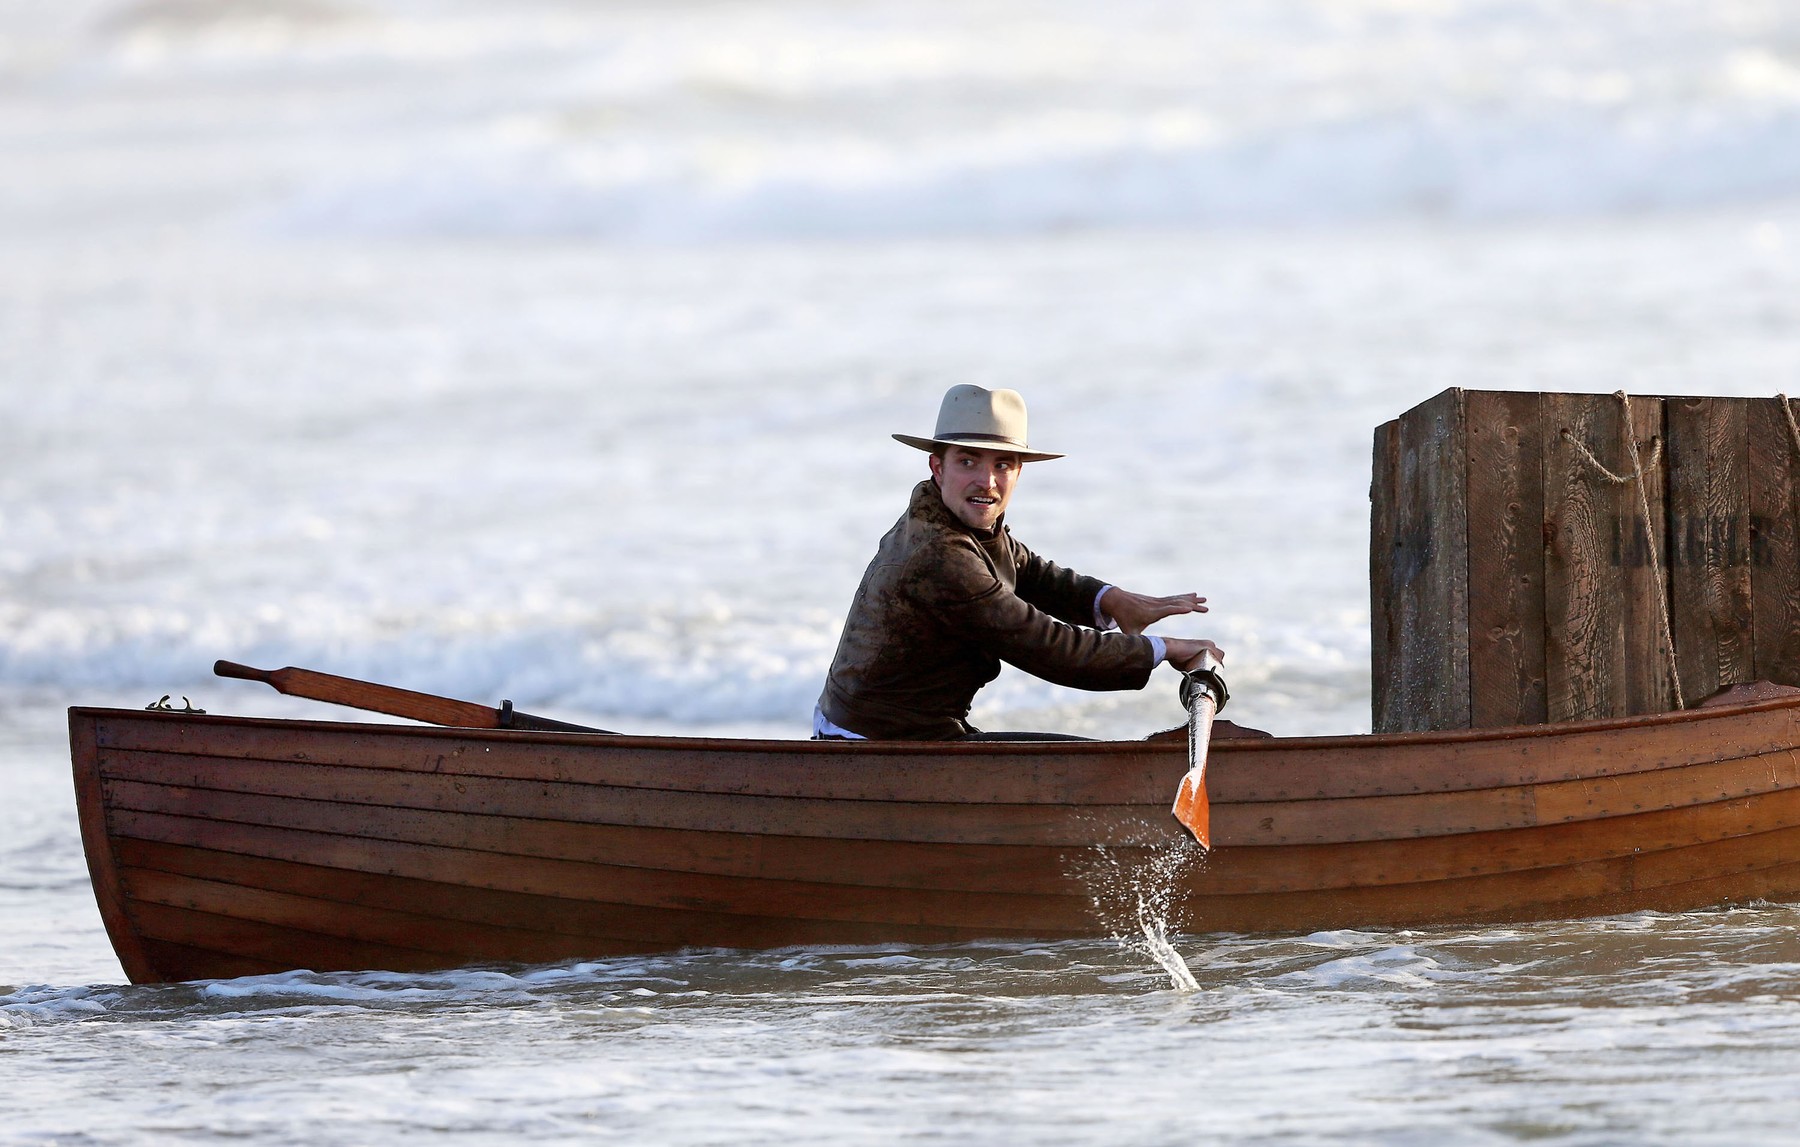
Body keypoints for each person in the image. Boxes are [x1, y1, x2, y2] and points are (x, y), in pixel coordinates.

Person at [814, 384, 1224, 741]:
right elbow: (1049, 648)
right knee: (1083, 770)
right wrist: (1164, 649)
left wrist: (1112, 599)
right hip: (875, 740)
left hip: (913, 728)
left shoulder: (954, 518)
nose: (986, 481)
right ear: (938, 467)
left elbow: (1030, 571)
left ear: (1019, 473)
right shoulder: (939, 556)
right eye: (968, 461)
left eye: (1002, 465)